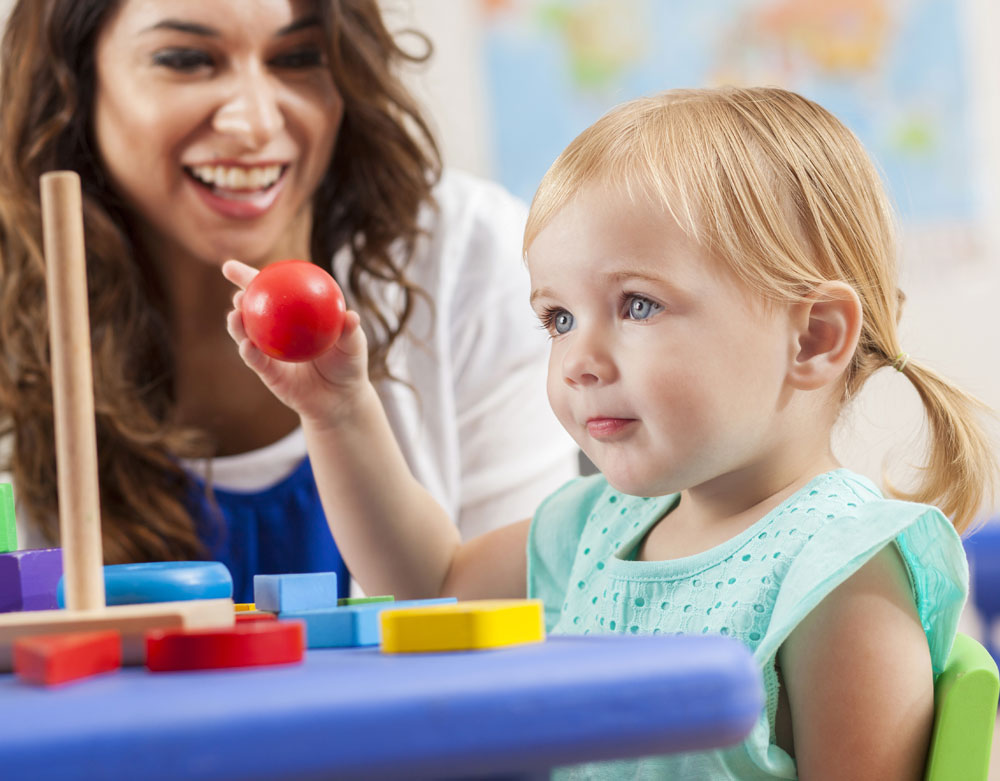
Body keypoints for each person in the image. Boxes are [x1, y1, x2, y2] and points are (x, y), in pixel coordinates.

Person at [225, 85, 997, 778]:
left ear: (813, 338)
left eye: (636, 304)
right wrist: (339, 410)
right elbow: (430, 583)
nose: (578, 361)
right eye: (558, 317)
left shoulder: (840, 571)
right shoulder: (602, 522)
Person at [0, 0, 578, 603]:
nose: (253, 123)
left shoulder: (472, 256)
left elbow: (515, 621)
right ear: (74, 80)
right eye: (186, 59)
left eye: (299, 57)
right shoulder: (17, 295)